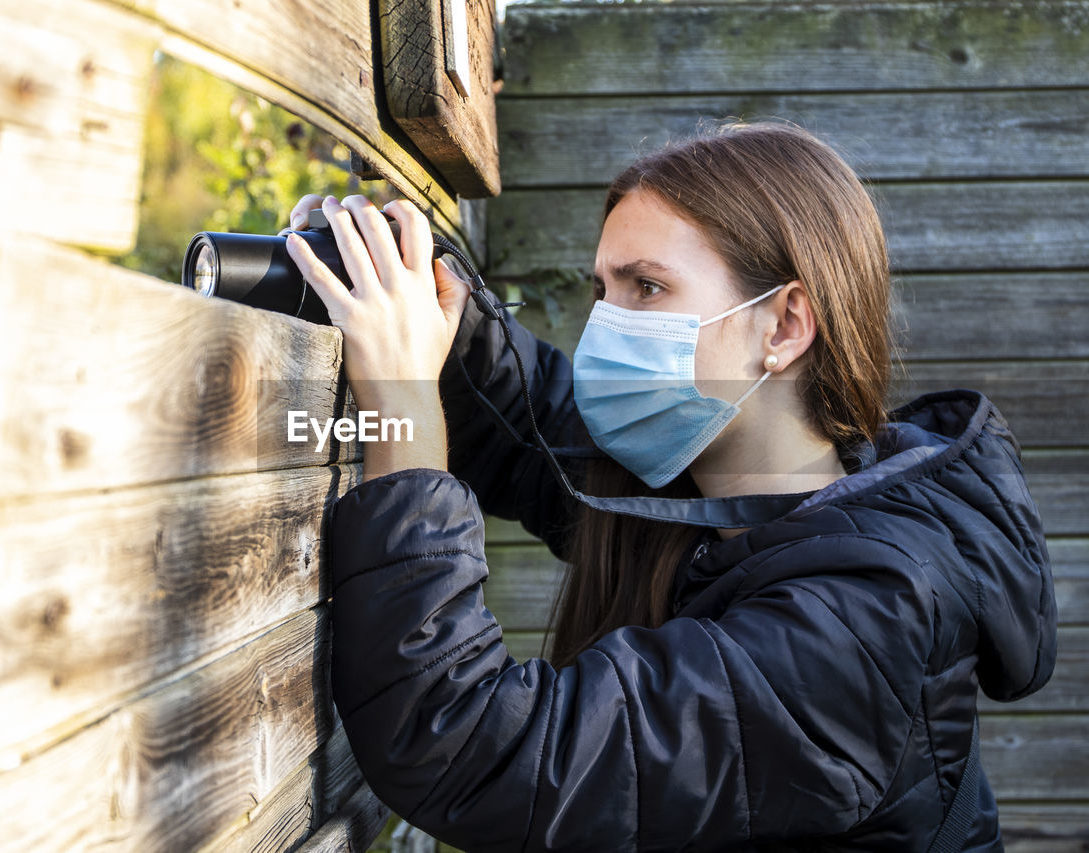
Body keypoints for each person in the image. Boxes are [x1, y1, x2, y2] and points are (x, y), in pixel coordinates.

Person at [284, 122, 1056, 852]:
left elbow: (469, 743)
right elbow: (533, 428)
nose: (605, 329)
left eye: (646, 288)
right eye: (603, 290)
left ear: (784, 326)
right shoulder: (712, 488)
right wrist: (414, 288)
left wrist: (399, 395)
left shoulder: (858, 625)